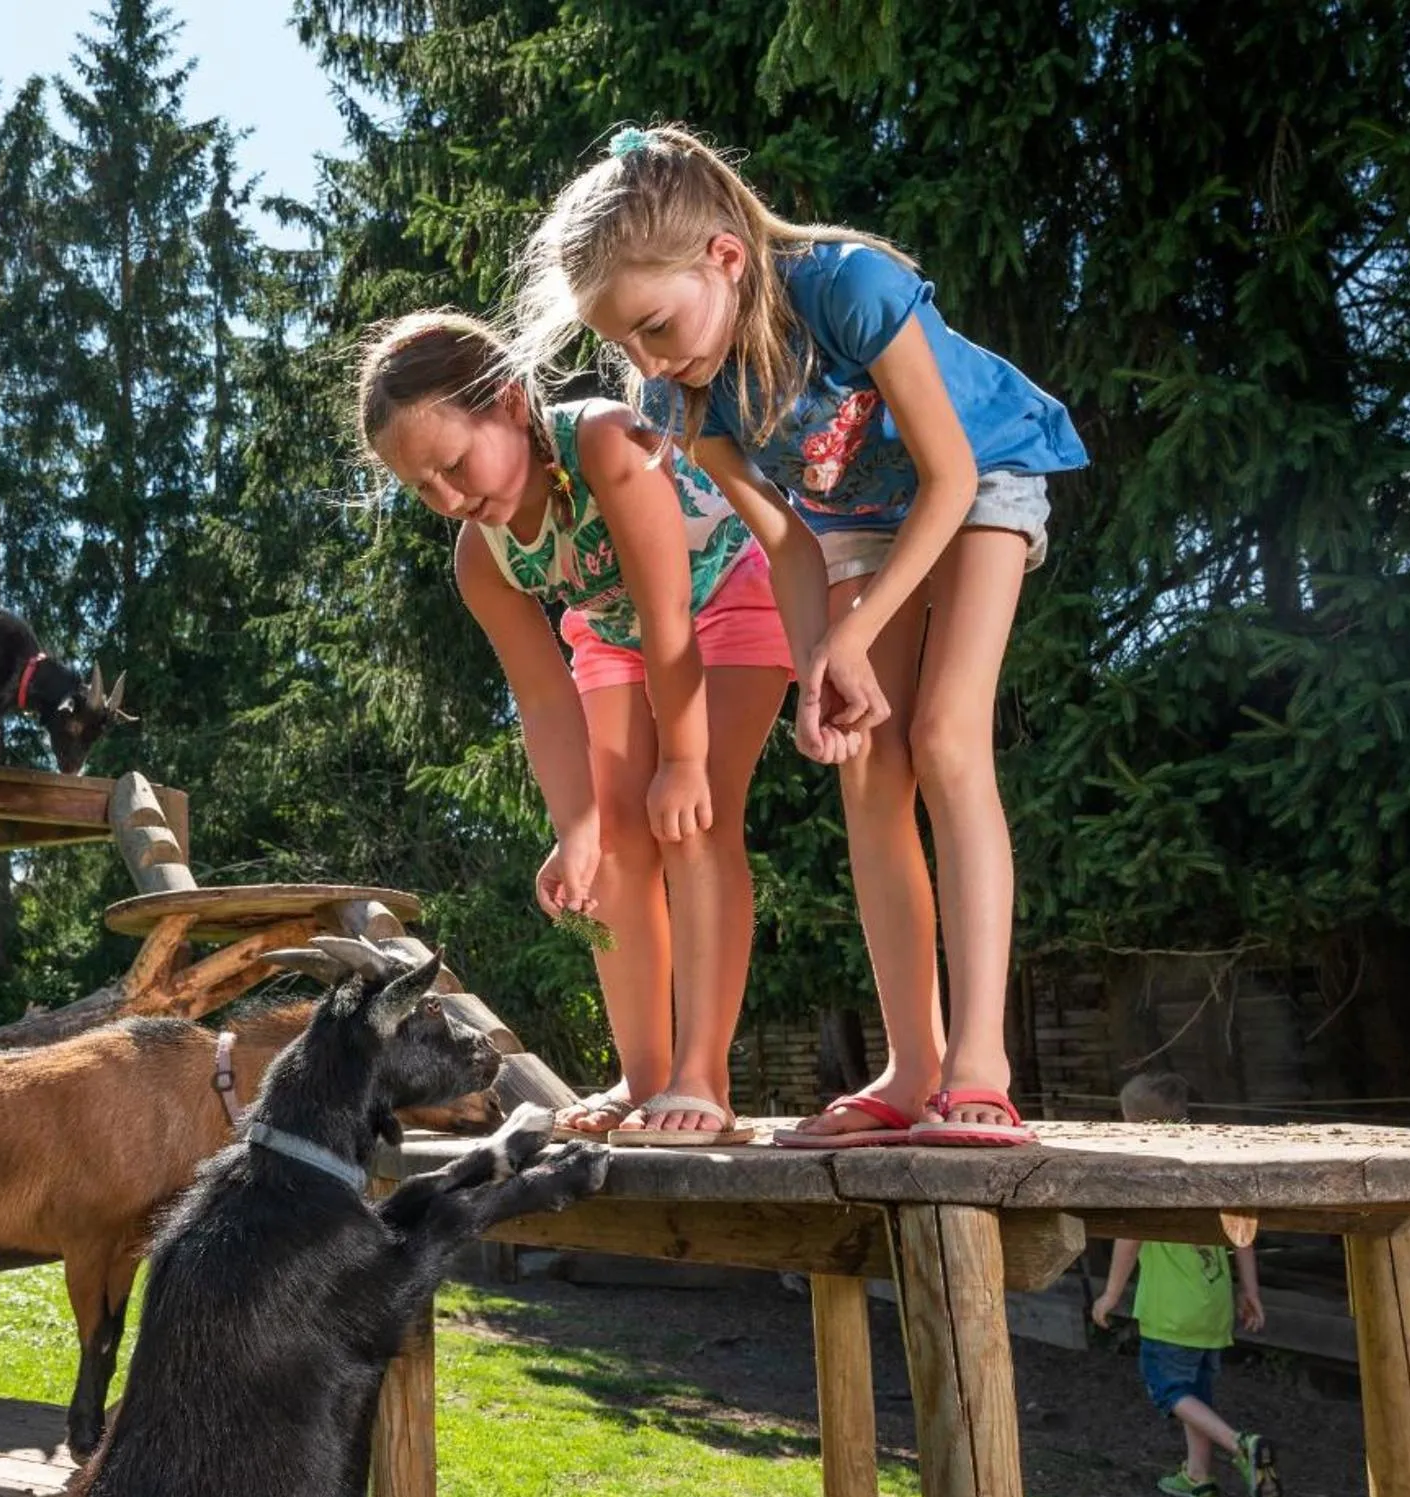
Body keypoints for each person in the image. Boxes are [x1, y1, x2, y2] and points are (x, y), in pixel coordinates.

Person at [510, 123, 1089, 1146]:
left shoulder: (848, 287)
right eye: (625, 344)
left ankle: (981, 1069)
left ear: (723, 257)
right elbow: (783, 538)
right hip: (853, 525)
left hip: (981, 475)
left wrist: (858, 634)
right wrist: (826, 653)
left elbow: (950, 476)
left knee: (948, 737)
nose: (647, 359)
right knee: (867, 763)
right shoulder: (680, 392)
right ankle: (912, 1069)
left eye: (653, 324)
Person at [357, 309, 789, 1145]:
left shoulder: (604, 443)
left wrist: (685, 759)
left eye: (452, 463)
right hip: (616, 631)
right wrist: (577, 829)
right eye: (422, 487)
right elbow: (546, 702)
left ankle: (702, 1074)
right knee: (614, 849)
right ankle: (644, 1071)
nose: (448, 497)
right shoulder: (480, 556)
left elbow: (670, 622)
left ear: (511, 403)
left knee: (697, 820)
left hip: (725, 591)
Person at [1089, 1072, 1280, 1497]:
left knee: (1169, 1390)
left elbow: (1130, 1236)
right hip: (1214, 1304)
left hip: (1169, 1310)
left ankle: (1240, 1443)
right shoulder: (1206, 1166)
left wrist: (1110, 1295)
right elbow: (1241, 1232)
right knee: (1197, 1394)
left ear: (1131, 1122)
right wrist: (1250, 1291)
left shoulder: (1150, 1172)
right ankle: (1199, 1478)